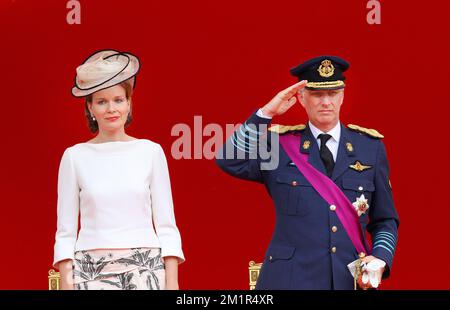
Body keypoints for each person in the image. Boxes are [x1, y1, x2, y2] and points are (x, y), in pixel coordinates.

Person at [216, 56, 399, 290]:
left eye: (332, 93)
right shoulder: (279, 145)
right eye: (316, 94)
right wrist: (266, 113)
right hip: (289, 280)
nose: (326, 102)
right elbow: (229, 160)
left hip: (348, 281)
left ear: (342, 96)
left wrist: (381, 257)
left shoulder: (369, 148)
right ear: (302, 98)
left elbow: (385, 218)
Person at [53, 49, 184, 290]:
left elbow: (167, 226)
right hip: (89, 271)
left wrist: (172, 284)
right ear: (91, 108)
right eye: (102, 102)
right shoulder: (74, 157)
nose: (111, 109)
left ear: (129, 103)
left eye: (118, 100)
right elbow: (65, 232)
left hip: (146, 269)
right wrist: (66, 284)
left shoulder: (150, 152)